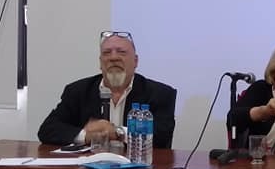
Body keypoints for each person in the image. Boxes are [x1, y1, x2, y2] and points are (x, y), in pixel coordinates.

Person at [38, 31, 178, 149]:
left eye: (121, 52)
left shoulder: (160, 94)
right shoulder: (78, 91)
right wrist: (87, 136)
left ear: (135, 61)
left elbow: (162, 136)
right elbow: (48, 129)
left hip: (139, 168)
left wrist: (118, 132)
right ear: (100, 62)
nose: (113, 57)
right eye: (106, 53)